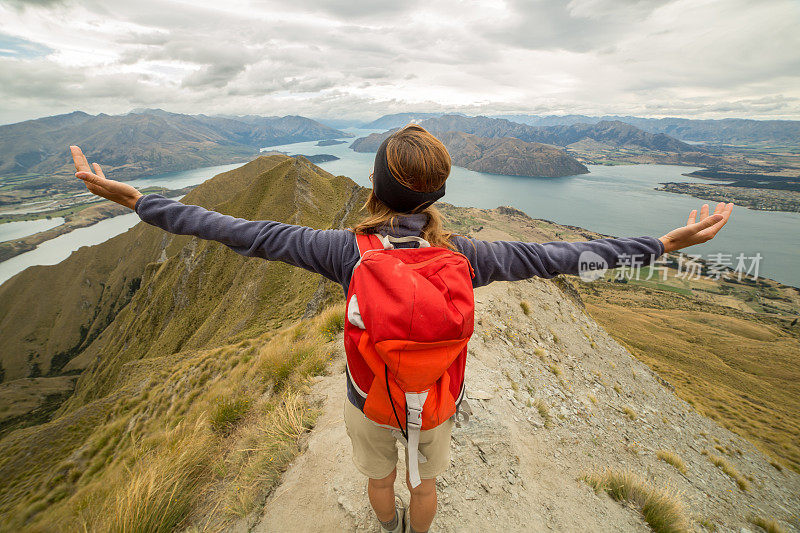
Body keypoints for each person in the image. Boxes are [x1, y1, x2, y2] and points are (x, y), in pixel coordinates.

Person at [69, 124, 733, 533]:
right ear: (435, 198)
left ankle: (383, 524)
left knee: (381, 476)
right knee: (429, 482)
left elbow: (238, 232)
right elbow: (566, 256)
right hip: (438, 400)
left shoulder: (342, 253)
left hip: (370, 401)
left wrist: (140, 200)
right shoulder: (470, 257)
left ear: (373, 187)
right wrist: (660, 244)